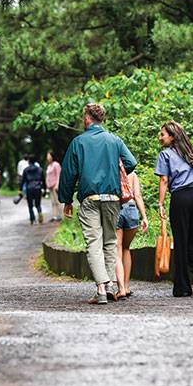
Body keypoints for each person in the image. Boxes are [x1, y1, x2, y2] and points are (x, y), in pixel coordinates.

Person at [59, 103, 137, 305]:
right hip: (112, 198)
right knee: (110, 242)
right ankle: (110, 285)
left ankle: (101, 290)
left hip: (90, 199)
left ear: (87, 119)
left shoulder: (78, 142)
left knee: (94, 242)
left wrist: (66, 200)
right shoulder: (114, 140)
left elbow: (68, 174)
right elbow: (130, 163)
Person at [155, 120, 193, 298]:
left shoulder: (166, 154)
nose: (160, 137)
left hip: (180, 198)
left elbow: (164, 180)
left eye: (162, 134)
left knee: (181, 241)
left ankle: (183, 287)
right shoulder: (192, 154)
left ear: (171, 137)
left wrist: (161, 203)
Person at [115, 164, 149, 298]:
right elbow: (138, 195)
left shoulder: (112, 172)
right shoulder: (133, 174)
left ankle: (121, 288)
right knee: (126, 248)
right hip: (131, 208)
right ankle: (127, 286)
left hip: (117, 208)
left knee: (117, 249)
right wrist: (144, 217)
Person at [20, 157, 45, 224]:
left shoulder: (25, 170)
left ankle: (32, 219)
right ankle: (39, 213)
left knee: (30, 205)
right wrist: (44, 189)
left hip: (29, 188)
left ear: (28, 161)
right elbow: (43, 180)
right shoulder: (40, 170)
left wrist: (20, 190)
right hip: (38, 188)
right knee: (38, 204)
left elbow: (22, 181)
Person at [46, 151, 63, 221]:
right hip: (50, 187)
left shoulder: (56, 164)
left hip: (55, 186)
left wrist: (57, 185)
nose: (48, 158)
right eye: (47, 156)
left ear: (52, 156)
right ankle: (54, 216)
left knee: (57, 201)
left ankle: (61, 216)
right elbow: (47, 176)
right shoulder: (49, 166)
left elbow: (59, 175)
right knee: (53, 202)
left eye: (49, 156)